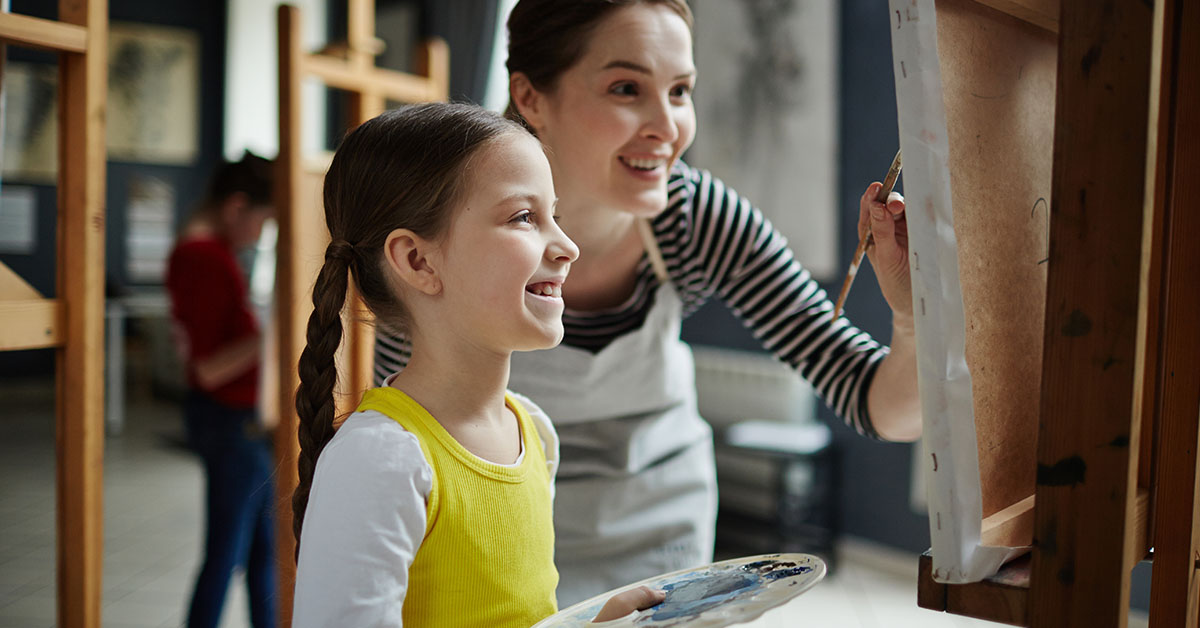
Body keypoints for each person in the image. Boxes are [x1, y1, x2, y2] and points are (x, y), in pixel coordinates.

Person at [374, 0, 922, 608]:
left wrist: (911, 315)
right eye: (626, 87)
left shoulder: (697, 219)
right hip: (498, 529)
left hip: (660, 537)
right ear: (530, 98)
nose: (669, 127)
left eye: (681, 90)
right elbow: (400, 439)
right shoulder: (451, 235)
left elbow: (883, 409)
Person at [290, 102, 666, 627]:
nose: (567, 246)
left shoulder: (533, 431)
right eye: (523, 217)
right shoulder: (381, 461)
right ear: (418, 261)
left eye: (554, 215)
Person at [165, 152, 276, 628]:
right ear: (236, 207)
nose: (260, 235)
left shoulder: (205, 253)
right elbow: (210, 368)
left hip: (233, 419)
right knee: (230, 553)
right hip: (230, 420)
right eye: (262, 222)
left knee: (260, 551)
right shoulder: (203, 258)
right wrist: (276, 330)